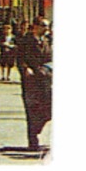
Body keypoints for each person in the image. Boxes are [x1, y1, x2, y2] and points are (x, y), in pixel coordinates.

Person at [16, 16, 52, 152]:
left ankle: (37, 130)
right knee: (32, 112)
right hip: (31, 82)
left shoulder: (47, 41)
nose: (46, 29)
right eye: (44, 26)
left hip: (46, 80)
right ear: (36, 26)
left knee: (48, 110)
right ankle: (33, 140)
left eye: (47, 26)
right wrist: (26, 69)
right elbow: (20, 59)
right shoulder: (26, 41)